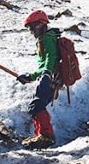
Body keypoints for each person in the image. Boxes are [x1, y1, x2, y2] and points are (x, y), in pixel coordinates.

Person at [17, 9, 59, 148]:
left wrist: (46, 73)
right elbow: (43, 64)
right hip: (48, 76)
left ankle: (46, 136)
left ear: (40, 25)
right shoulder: (45, 38)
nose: (31, 32)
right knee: (37, 106)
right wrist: (31, 76)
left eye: (31, 28)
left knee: (37, 105)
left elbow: (50, 57)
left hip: (49, 78)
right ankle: (41, 135)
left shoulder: (47, 38)